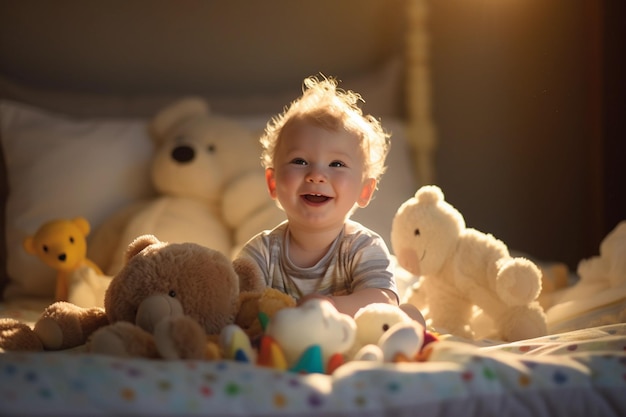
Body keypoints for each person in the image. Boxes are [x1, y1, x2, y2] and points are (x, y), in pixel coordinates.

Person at [235, 75, 398, 317]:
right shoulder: (262, 252)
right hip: (281, 346)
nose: (316, 175)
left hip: (346, 342)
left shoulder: (362, 247)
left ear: (365, 190)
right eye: (300, 161)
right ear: (273, 183)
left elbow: (383, 302)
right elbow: (236, 303)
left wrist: (328, 306)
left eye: (337, 164)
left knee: (410, 316)